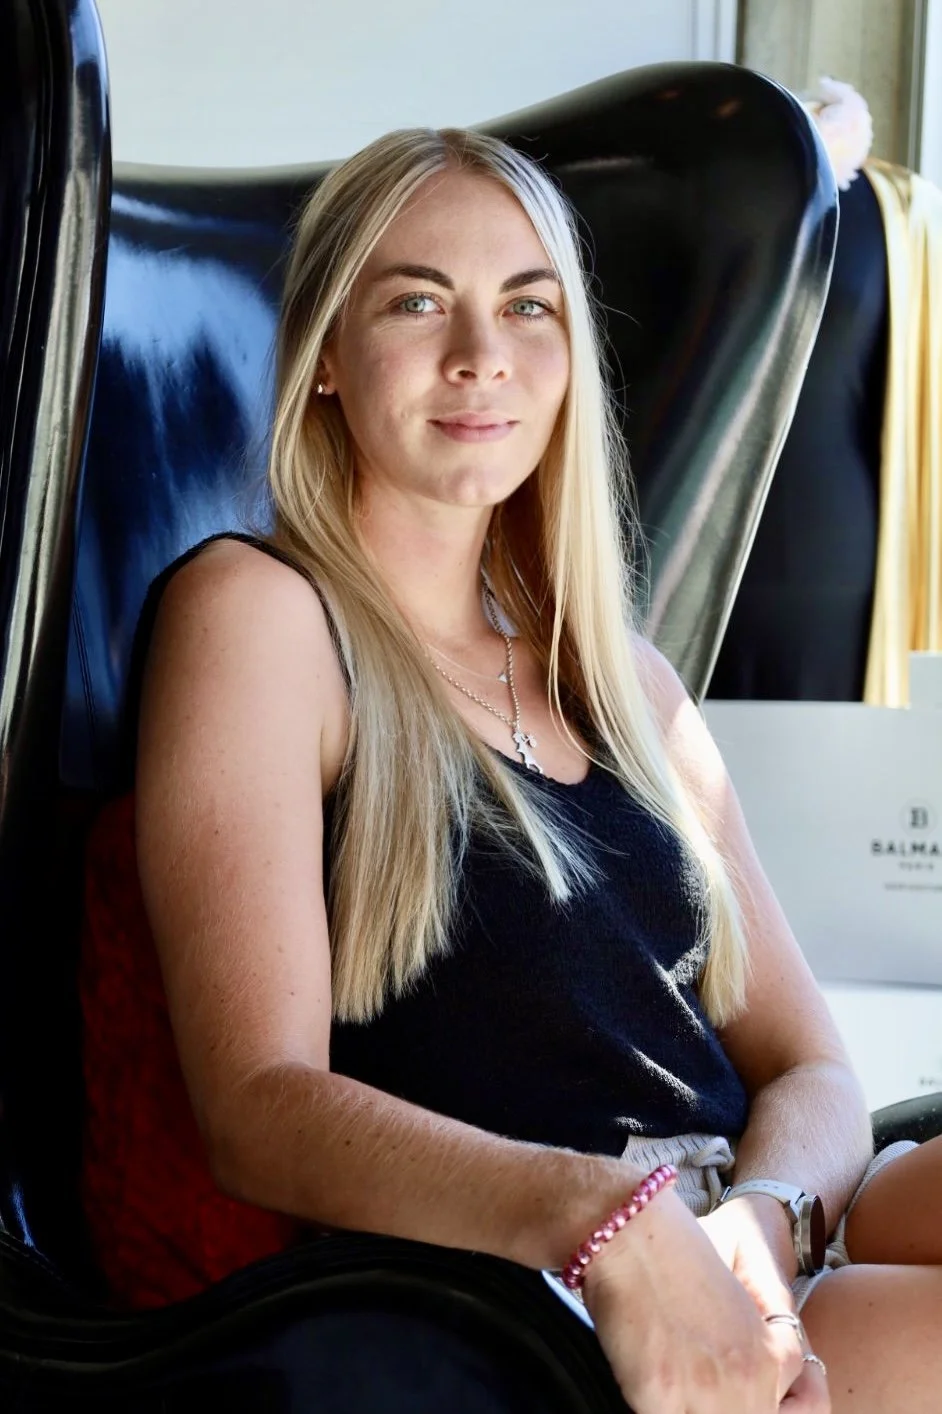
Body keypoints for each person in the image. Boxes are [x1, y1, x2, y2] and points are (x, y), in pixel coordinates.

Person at [85, 126, 942, 1412]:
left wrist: (761, 1235)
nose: (480, 353)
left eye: (526, 304)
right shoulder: (262, 616)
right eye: (417, 300)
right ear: (325, 357)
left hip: (753, 1234)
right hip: (549, 1287)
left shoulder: (628, 680)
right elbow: (257, 1101)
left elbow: (815, 1070)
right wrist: (612, 1222)